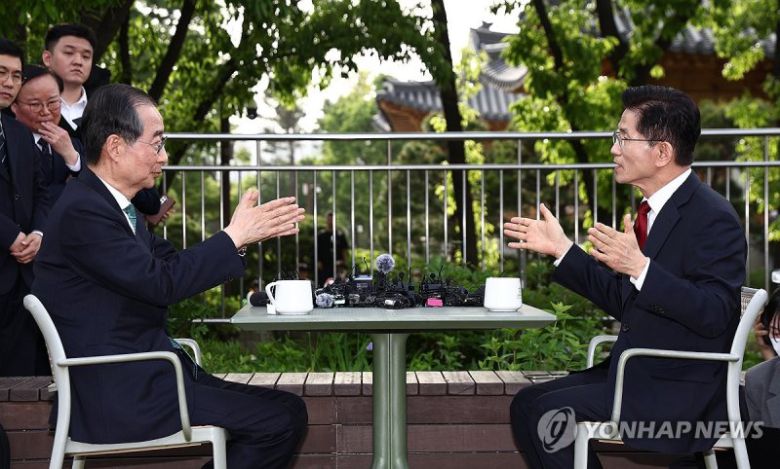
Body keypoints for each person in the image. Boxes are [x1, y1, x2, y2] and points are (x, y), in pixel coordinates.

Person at [32, 84, 307, 468]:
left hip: (150, 374)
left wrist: (237, 240)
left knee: (289, 409)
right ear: (115, 147)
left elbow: (171, 266)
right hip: (121, 391)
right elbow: (161, 283)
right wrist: (233, 237)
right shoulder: (84, 212)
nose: (164, 156)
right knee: (278, 422)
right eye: (157, 143)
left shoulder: (114, 207)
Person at [505, 85, 746, 468]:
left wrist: (641, 269)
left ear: (662, 152)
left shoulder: (712, 217)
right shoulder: (657, 211)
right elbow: (626, 300)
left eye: (623, 137)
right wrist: (562, 250)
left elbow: (715, 313)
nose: (614, 149)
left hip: (678, 390)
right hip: (639, 372)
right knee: (527, 404)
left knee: (543, 413)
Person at [42, 23, 163, 218]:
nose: (78, 61)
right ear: (48, 58)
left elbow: (149, 200)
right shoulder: (27, 110)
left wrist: (76, 160)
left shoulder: (112, 114)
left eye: (86, 56)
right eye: (69, 53)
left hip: (103, 220)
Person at [0, 39, 51, 377]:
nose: (9, 82)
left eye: (16, 76)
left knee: (22, 380)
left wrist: (38, 232)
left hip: (22, 274)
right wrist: (10, 235)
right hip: (8, 250)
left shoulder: (19, 132)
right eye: (1, 73)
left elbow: (41, 191)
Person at [11, 65, 81, 203]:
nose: (46, 111)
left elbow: (94, 188)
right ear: (15, 107)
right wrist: (68, 188)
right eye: (35, 104)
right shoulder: (6, 146)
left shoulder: (74, 145)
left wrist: (72, 157)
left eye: (53, 102)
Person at [316, 211, 349, 285]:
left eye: (332, 220)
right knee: (324, 284)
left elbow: (344, 249)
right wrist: (318, 261)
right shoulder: (321, 235)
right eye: (329, 219)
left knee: (339, 284)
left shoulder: (340, 235)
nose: (330, 221)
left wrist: (345, 263)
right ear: (326, 220)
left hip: (338, 265)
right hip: (324, 265)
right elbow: (317, 249)